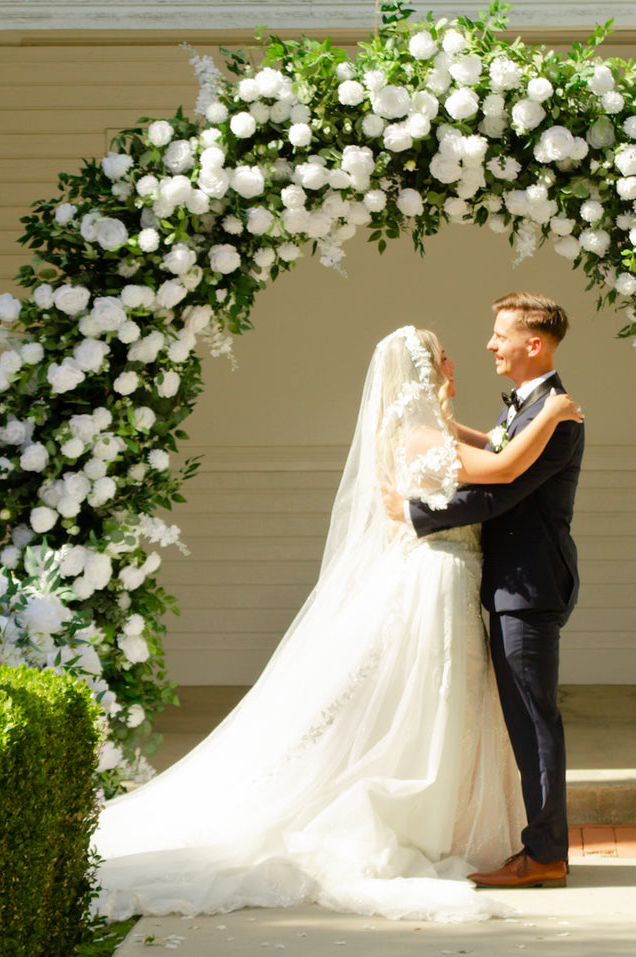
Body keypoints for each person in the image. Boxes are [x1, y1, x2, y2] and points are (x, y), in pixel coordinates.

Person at [91, 325, 583, 923]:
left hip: (452, 578)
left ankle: (459, 830)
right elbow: (502, 473)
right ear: (423, 373)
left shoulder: (427, 430)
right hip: (438, 578)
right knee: (430, 700)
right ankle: (436, 827)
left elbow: (491, 460)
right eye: (444, 357)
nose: (461, 359)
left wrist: (439, 478)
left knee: (443, 703)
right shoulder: (426, 436)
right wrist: (548, 413)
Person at [385, 292, 584, 890]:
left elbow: (499, 490)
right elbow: (496, 451)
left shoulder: (556, 416)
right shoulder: (531, 410)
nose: (490, 344)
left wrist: (415, 514)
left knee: (533, 718)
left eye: (501, 335)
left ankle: (545, 853)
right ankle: (539, 846)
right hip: (508, 585)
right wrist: (442, 424)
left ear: (534, 344)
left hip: (529, 588)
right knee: (524, 717)